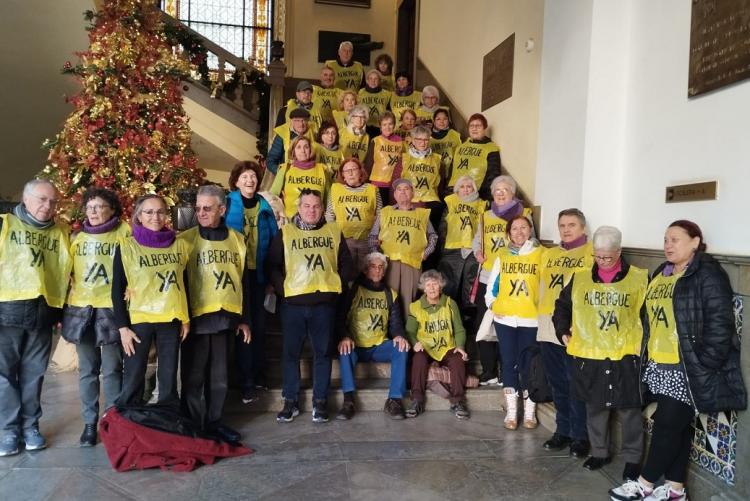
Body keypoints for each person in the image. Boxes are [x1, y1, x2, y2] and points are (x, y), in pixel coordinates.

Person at [609, 220, 747, 501]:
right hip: (660, 363)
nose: (668, 245)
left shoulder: (707, 274)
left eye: (675, 239)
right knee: (678, 428)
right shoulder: (663, 272)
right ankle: (675, 490)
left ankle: (644, 484)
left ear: (695, 242)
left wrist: (703, 363)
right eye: (665, 240)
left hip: (687, 367)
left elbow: (721, 324)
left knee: (666, 426)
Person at [553, 226, 647, 479]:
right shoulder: (581, 277)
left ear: (619, 252)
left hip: (625, 355)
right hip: (590, 353)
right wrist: (562, 331)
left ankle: (633, 459)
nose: (603, 261)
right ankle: (600, 452)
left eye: (608, 256)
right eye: (598, 256)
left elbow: (646, 316)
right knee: (595, 408)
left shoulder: (638, 278)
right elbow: (562, 306)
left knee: (629, 409)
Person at [268, 189, 355, 423]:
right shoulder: (285, 233)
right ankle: (290, 401)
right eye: (307, 206)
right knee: (290, 354)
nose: (311, 210)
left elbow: (347, 264)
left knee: (323, 354)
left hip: (324, 305)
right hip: (293, 304)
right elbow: (273, 265)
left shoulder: (334, 231)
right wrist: (282, 289)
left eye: (316, 206)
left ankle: (320, 402)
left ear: (321, 208)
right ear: (299, 207)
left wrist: (336, 286)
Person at [0, 179, 72, 456]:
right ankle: (9, 430)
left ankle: (30, 426)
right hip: (6, 313)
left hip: (43, 315)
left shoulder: (61, 232)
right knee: (4, 376)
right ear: (26, 199)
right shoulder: (5, 224)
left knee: (33, 376)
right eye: (42, 199)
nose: (48, 206)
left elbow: (66, 271)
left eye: (53, 201)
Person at [180, 185, 250, 444]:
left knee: (220, 377)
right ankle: (194, 424)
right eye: (197, 208)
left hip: (224, 317)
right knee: (194, 376)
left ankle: (214, 422)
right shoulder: (185, 239)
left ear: (222, 209)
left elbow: (244, 280)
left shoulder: (237, 240)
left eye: (207, 208)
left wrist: (244, 319)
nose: (201, 213)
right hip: (194, 319)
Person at [61, 188, 128, 447]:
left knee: (112, 369)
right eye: (90, 207)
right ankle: (89, 424)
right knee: (87, 370)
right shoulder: (76, 237)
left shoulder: (125, 234)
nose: (94, 211)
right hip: (81, 310)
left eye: (100, 206)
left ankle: (112, 420)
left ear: (112, 209)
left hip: (112, 310)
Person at [112, 195, 191, 407]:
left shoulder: (179, 245)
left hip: (171, 318)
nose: (155, 217)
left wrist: (185, 318)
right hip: (139, 320)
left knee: (168, 375)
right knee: (134, 374)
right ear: (139, 216)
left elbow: (183, 283)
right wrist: (122, 327)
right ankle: (130, 419)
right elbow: (116, 289)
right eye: (149, 212)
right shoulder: (126, 246)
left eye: (160, 212)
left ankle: (166, 419)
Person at [537, 209, 592, 457]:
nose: (566, 229)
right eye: (562, 225)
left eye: (572, 224)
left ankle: (581, 436)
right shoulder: (549, 254)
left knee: (575, 383)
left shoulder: (591, 253)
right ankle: (564, 431)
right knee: (558, 382)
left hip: (574, 326)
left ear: (583, 228)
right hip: (548, 323)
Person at [225, 161, 279, 403]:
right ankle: (243, 379)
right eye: (245, 177)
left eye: (253, 177)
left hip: (258, 276)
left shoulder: (265, 205)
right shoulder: (226, 204)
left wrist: (271, 278)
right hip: (232, 277)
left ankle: (257, 375)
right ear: (236, 181)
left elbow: (275, 244)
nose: (250, 180)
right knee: (239, 327)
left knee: (257, 327)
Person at [472, 175, 534, 385]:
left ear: (513, 193)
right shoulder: (485, 216)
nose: (500, 193)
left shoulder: (523, 214)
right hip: (488, 275)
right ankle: (489, 371)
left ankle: (507, 370)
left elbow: (531, 243)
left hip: (516, 278)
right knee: (486, 321)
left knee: (507, 325)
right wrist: (477, 253)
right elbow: (476, 241)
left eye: (504, 189)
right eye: (496, 190)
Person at [486, 215, 543, 430]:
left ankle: (530, 412)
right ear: (508, 233)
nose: (519, 232)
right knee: (509, 363)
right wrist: (492, 305)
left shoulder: (541, 254)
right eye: (514, 228)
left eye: (523, 228)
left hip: (531, 319)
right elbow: (492, 285)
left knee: (530, 365)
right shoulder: (502, 255)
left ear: (530, 230)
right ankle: (511, 412)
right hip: (506, 319)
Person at [336, 252, 409, 420]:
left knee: (402, 348)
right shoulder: (353, 288)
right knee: (344, 350)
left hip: (379, 346)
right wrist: (344, 336)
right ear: (365, 270)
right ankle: (348, 400)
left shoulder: (391, 293)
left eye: (380, 267)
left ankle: (394, 400)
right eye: (373, 267)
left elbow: (396, 323)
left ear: (384, 272)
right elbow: (339, 317)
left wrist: (398, 335)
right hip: (356, 345)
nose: (377, 271)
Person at [405, 270, 470, 420]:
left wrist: (460, 346)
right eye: (428, 285)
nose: (432, 288)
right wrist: (414, 343)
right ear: (423, 288)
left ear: (441, 287)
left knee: (458, 360)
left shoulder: (450, 303)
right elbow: (409, 331)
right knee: (418, 359)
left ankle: (458, 401)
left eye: (435, 284)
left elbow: (459, 329)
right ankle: (417, 400)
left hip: (446, 346)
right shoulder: (416, 306)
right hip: (425, 347)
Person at [369, 178, 438, 318]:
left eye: (406, 189)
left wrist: (426, 253)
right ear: (394, 195)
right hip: (389, 262)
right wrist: (378, 257)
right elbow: (372, 237)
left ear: (413, 193)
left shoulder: (421, 214)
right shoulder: (385, 212)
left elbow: (433, 236)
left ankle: (406, 333)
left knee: (408, 300)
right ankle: (388, 332)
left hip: (412, 263)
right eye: (399, 189)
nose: (402, 192)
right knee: (389, 298)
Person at [437, 176, 486, 313]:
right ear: (457, 189)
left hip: (473, 248)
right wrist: (441, 248)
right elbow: (443, 226)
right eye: (462, 186)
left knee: (470, 284)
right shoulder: (451, 202)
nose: (466, 190)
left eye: (469, 186)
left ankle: (468, 317)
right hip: (452, 247)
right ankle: (445, 313)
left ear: (474, 188)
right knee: (448, 282)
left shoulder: (482, 204)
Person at [325, 158, 382, 272]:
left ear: (360, 172)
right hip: (344, 241)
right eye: (347, 171)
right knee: (346, 273)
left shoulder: (372, 189)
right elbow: (329, 214)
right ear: (343, 175)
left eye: (354, 169)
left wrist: (374, 235)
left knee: (365, 273)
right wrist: (335, 236)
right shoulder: (336, 189)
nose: (350, 173)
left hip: (367, 241)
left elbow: (380, 214)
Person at [271, 135, 330, 219]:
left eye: (306, 147)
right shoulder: (285, 169)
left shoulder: (322, 170)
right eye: (298, 147)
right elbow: (272, 196)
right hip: (290, 222)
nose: (303, 150)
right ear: (293, 151)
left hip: (317, 223)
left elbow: (329, 200)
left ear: (310, 150)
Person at [448, 113, 501, 200]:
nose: (474, 128)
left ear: (484, 128)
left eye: (478, 126)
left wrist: (484, 197)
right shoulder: (460, 147)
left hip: (476, 195)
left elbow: (493, 176)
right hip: (453, 193)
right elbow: (451, 171)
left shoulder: (491, 148)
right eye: (471, 125)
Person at [402, 125, 444, 233]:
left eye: (425, 139)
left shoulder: (437, 159)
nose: (422, 142)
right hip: (410, 203)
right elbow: (396, 183)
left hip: (432, 204)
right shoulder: (404, 158)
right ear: (413, 141)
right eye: (419, 139)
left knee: (431, 237)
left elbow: (441, 183)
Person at [364, 111, 403, 204]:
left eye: (390, 124)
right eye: (384, 124)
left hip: (395, 184)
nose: (387, 127)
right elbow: (369, 164)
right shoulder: (376, 141)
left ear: (394, 125)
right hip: (378, 183)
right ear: (380, 126)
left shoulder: (401, 141)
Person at [266, 107, 314, 176]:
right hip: (288, 177)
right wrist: (282, 173)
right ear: (291, 121)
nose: (301, 124)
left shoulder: (313, 132)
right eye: (297, 120)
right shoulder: (283, 134)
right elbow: (270, 161)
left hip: (310, 175)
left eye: (304, 120)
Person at [430, 109, 462, 192]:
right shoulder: (427, 137)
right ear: (433, 121)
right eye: (438, 119)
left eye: (445, 119)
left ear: (448, 120)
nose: (442, 121)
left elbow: (459, 156)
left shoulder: (455, 135)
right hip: (433, 175)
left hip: (451, 175)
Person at [358, 69, 391, 137]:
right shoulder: (360, 92)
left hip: (381, 127)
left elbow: (389, 112)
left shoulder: (387, 94)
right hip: (364, 126)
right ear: (367, 80)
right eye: (370, 79)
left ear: (379, 81)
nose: (373, 81)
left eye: (376, 79)